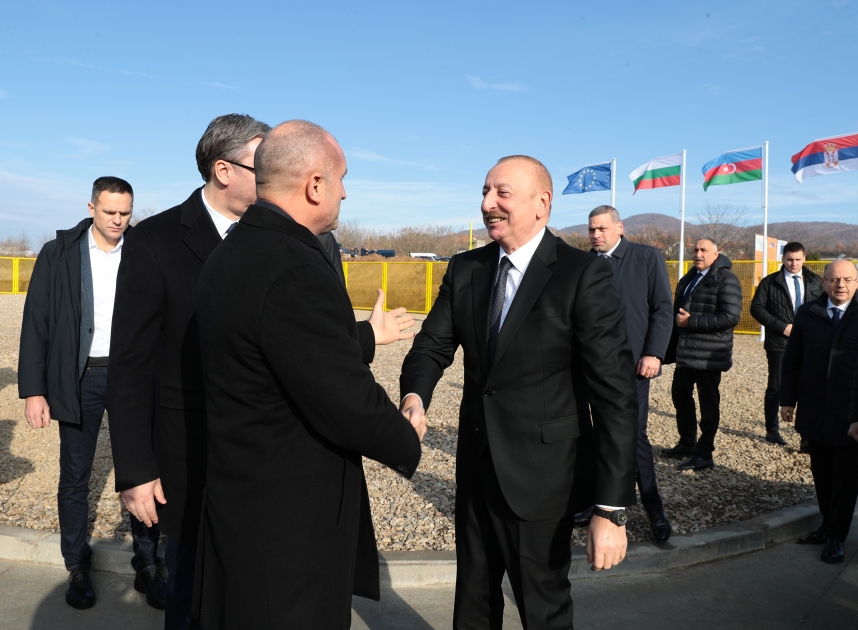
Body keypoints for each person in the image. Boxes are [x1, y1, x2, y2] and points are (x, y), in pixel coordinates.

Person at [192, 120, 425, 629]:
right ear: (315, 184)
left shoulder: (235, 249)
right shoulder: (292, 263)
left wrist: (366, 336)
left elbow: (289, 352)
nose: (345, 192)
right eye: (341, 178)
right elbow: (342, 397)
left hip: (244, 507)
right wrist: (404, 435)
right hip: (286, 534)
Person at [400, 156, 638, 629]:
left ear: (541, 203)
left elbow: (614, 397)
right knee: (472, 608)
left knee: (543, 612)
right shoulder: (466, 268)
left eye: (502, 193)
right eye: (485, 192)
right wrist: (415, 396)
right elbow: (431, 345)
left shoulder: (581, 274)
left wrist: (611, 509)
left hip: (543, 482)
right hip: (476, 474)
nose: (487, 203)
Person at [107, 114, 271, 629]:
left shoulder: (272, 236)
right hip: (189, 457)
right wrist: (135, 469)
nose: (273, 176)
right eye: (263, 166)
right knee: (190, 597)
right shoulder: (155, 240)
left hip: (263, 459)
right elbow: (130, 364)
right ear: (224, 170)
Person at [18, 177, 163, 610]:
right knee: (75, 476)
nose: (118, 220)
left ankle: (148, 565)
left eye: (125, 213)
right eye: (110, 212)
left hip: (133, 378)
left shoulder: (144, 251)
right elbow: (37, 322)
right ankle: (77, 565)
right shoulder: (59, 253)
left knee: (142, 471)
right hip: (79, 378)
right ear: (91, 207)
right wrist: (35, 390)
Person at [587, 205, 674, 542]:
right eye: (591, 229)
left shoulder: (646, 257)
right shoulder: (584, 263)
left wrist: (654, 353)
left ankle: (654, 510)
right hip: (590, 367)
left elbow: (662, 308)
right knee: (595, 438)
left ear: (619, 227)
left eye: (602, 229)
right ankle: (601, 506)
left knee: (632, 438)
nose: (596, 235)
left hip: (632, 367)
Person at [780, 259, 858, 564]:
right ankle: (827, 526)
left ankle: (836, 537)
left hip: (850, 412)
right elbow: (792, 360)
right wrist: (788, 399)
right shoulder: (807, 313)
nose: (841, 285)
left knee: (846, 478)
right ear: (823, 282)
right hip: (815, 408)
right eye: (834, 279)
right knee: (822, 473)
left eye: (848, 279)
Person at [663, 239, 742, 471]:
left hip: (708, 355)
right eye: (695, 250)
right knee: (680, 395)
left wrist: (692, 322)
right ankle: (687, 443)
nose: (698, 254)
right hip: (686, 351)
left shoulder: (726, 279)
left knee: (708, 404)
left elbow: (730, 317)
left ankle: (704, 453)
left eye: (703, 250)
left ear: (716, 254)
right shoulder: (689, 277)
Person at [750, 242, 823, 447]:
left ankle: (807, 435)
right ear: (783, 258)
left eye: (798, 259)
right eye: (790, 259)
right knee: (776, 386)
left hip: (810, 343)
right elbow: (756, 308)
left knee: (809, 387)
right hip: (779, 342)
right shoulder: (770, 282)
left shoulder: (815, 281)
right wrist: (782, 327)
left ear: (804, 258)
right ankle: (772, 430)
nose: (794, 263)